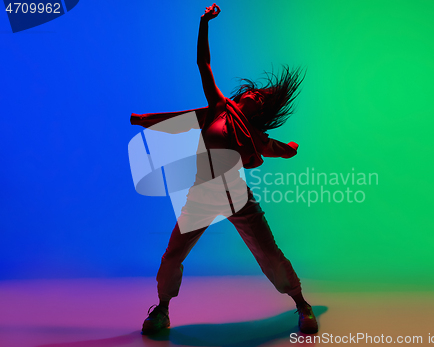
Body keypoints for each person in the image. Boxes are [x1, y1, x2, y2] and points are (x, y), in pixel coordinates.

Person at [131, 3, 318, 335]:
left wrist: (289, 150)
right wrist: (204, 23)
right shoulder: (219, 106)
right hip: (201, 197)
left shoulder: (254, 135)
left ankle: (301, 304)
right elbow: (203, 63)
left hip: (237, 198)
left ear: (259, 113)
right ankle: (161, 310)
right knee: (172, 256)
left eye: (260, 100)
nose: (253, 96)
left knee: (270, 256)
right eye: (253, 92)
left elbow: (279, 150)